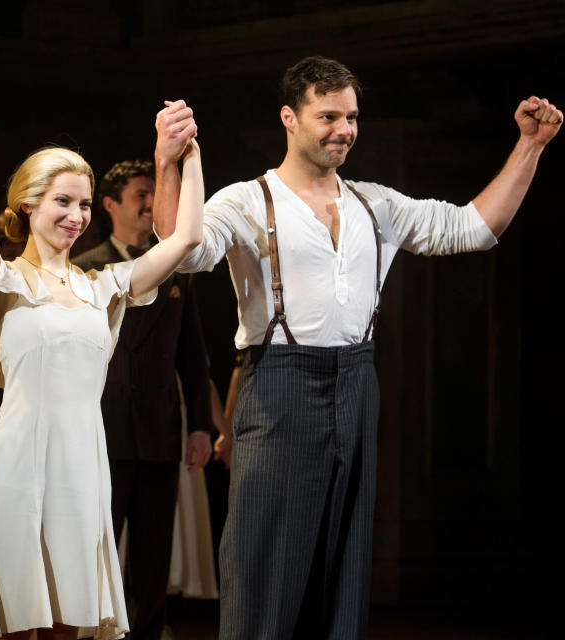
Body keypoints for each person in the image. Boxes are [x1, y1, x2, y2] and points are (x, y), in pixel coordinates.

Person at [152, 56, 561, 639]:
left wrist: (530, 146)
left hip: (356, 383)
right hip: (277, 385)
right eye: (328, 116)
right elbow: (183, 249)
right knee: (265, 555)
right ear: (289, 118)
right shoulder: (246, 200)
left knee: (340, 558)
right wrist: (169, 164)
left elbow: (475, 229)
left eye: (351, 117)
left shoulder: (375, 204)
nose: (344, 128)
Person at [0, 97, 202, 639]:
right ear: (29, 205)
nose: (76, 216)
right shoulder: (3, 283)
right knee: (16, 617)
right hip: (19, 461)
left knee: (70, 619)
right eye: (62, 201)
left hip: (84, 462)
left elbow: (186, 239)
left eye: (83, 204)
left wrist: (182, 154)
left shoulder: (103, 287)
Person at [72, 159, 212, 640]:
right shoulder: (83, 268)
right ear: (109, 204)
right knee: (97, 543)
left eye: (154, 193)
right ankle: (93, 630)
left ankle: (147, 632)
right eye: (140, 194)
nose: (151, 203)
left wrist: (200, 426)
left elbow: (192, 357)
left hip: (158, 428)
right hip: (101, 430)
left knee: (153, 551)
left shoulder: (175, 268)